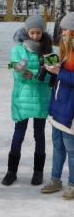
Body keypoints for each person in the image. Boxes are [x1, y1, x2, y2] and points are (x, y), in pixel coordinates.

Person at [2, 15, 53, 186]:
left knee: (39, 136)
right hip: (22, 98)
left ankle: (38, 172)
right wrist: (37, 71)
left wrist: (36, 73)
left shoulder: (48, 49)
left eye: (38, 32)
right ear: (26, 31)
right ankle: (11, 171)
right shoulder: (17, 49)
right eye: (32, 32)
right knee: (18, 136)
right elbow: (17, 72)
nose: (35, 36)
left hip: (41, 98)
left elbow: (52, 75)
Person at [40, 12, 74, 200]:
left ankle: (72, 184)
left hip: (70, 108)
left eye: (65, 29)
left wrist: (59, 72)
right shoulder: (65, 51)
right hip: (57, 105)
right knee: (57, 144)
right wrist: (52, 69)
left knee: (71, 148)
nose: (62, 33)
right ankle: (55, 179)